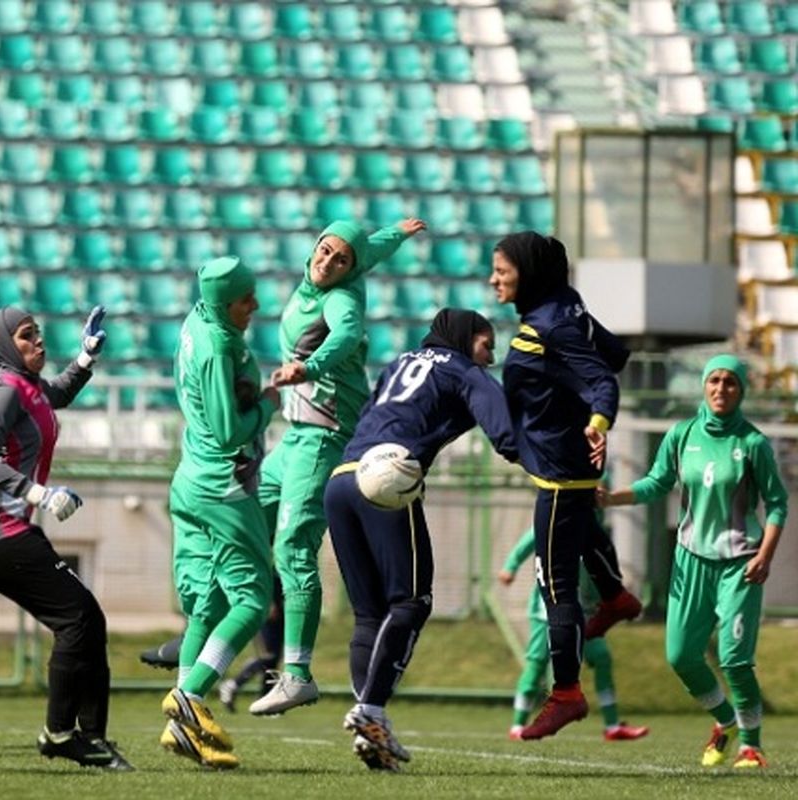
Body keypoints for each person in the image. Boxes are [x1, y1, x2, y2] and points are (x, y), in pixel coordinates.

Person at [325, 308, 519, 771]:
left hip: (341, 480)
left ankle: (371, 725)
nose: (491, 355)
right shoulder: (463, 369)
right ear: (465, 337)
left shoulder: (399, 364)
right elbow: (507, 436)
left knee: (370, 613)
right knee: (412, 602)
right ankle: (370, 711)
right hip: (385, 481)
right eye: (487, 343)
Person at [252, 218, 427, 715]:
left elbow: (347, 335)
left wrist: (309, 367)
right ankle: (201, 641)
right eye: (324, 252)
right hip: (292, 437)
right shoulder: (325, 275)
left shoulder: (342, 300)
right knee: (241, 530)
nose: (327, 263)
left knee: (292, 548)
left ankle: (297, 673)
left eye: (340, 260)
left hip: (325, 437)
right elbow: (373, 247)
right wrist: (399, 231)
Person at [0, 305, 132, 771]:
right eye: (26, 336)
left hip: (9, 529)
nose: (38, 342)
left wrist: (85, 359)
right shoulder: (3, 391)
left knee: (85, 620)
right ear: (1, 347)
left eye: (38, 333)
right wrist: (38, 491)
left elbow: (58, 394)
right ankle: (62, 735)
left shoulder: (28, 388)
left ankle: (88, 737)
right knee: (79, 619)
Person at [598, 355, 786, 769]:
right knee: (681, 656)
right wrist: (613, 497)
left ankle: (750, 746)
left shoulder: (753, 443)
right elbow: (656, 483)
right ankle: (725, 721)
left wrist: (766, 555)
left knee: (736, 660)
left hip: (741, 563)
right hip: (690, 562)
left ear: (742, 389)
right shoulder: (682, 434)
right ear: (703, 386)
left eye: (731, 382)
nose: (721, 389)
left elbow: (777, 505)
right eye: (714, 381)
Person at [492, 231, 642, 740]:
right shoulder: (564, 305)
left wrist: (597, 421)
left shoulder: (551, 325)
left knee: (554, 584)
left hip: (561, 470)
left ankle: (567, 695)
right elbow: (615, 355)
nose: (493, 278)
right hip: (566, 465)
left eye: (502, 270)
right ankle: (616, 596)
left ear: (528, 274)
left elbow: (604, 380)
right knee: (583, 535)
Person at [161, 256, 280, 769]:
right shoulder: (215, 348)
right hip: (223, 486)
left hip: (192, 479)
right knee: (253, 600)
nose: (253, 305)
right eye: (244, 298)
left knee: (208, 607)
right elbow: (232, 431)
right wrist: (272, 401)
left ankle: (180, 730)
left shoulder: (196, 323)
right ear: (222, 301)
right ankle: (190, 696)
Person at [499, 526, 650, 742]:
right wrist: (510, 567)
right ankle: (517, 725)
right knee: (537, 664)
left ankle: (613, 726)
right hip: (546, 613)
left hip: (584, 614)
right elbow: (529, 539)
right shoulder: (554, 518)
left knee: (602, 657)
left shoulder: (591, 527)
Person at [217, 575, 283, 712]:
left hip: (280, 611)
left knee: (273, 660)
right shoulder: (267, 559)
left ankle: (265, 700)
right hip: (266, 612)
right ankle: (234, 683)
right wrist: (270, 602)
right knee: (267, 657)